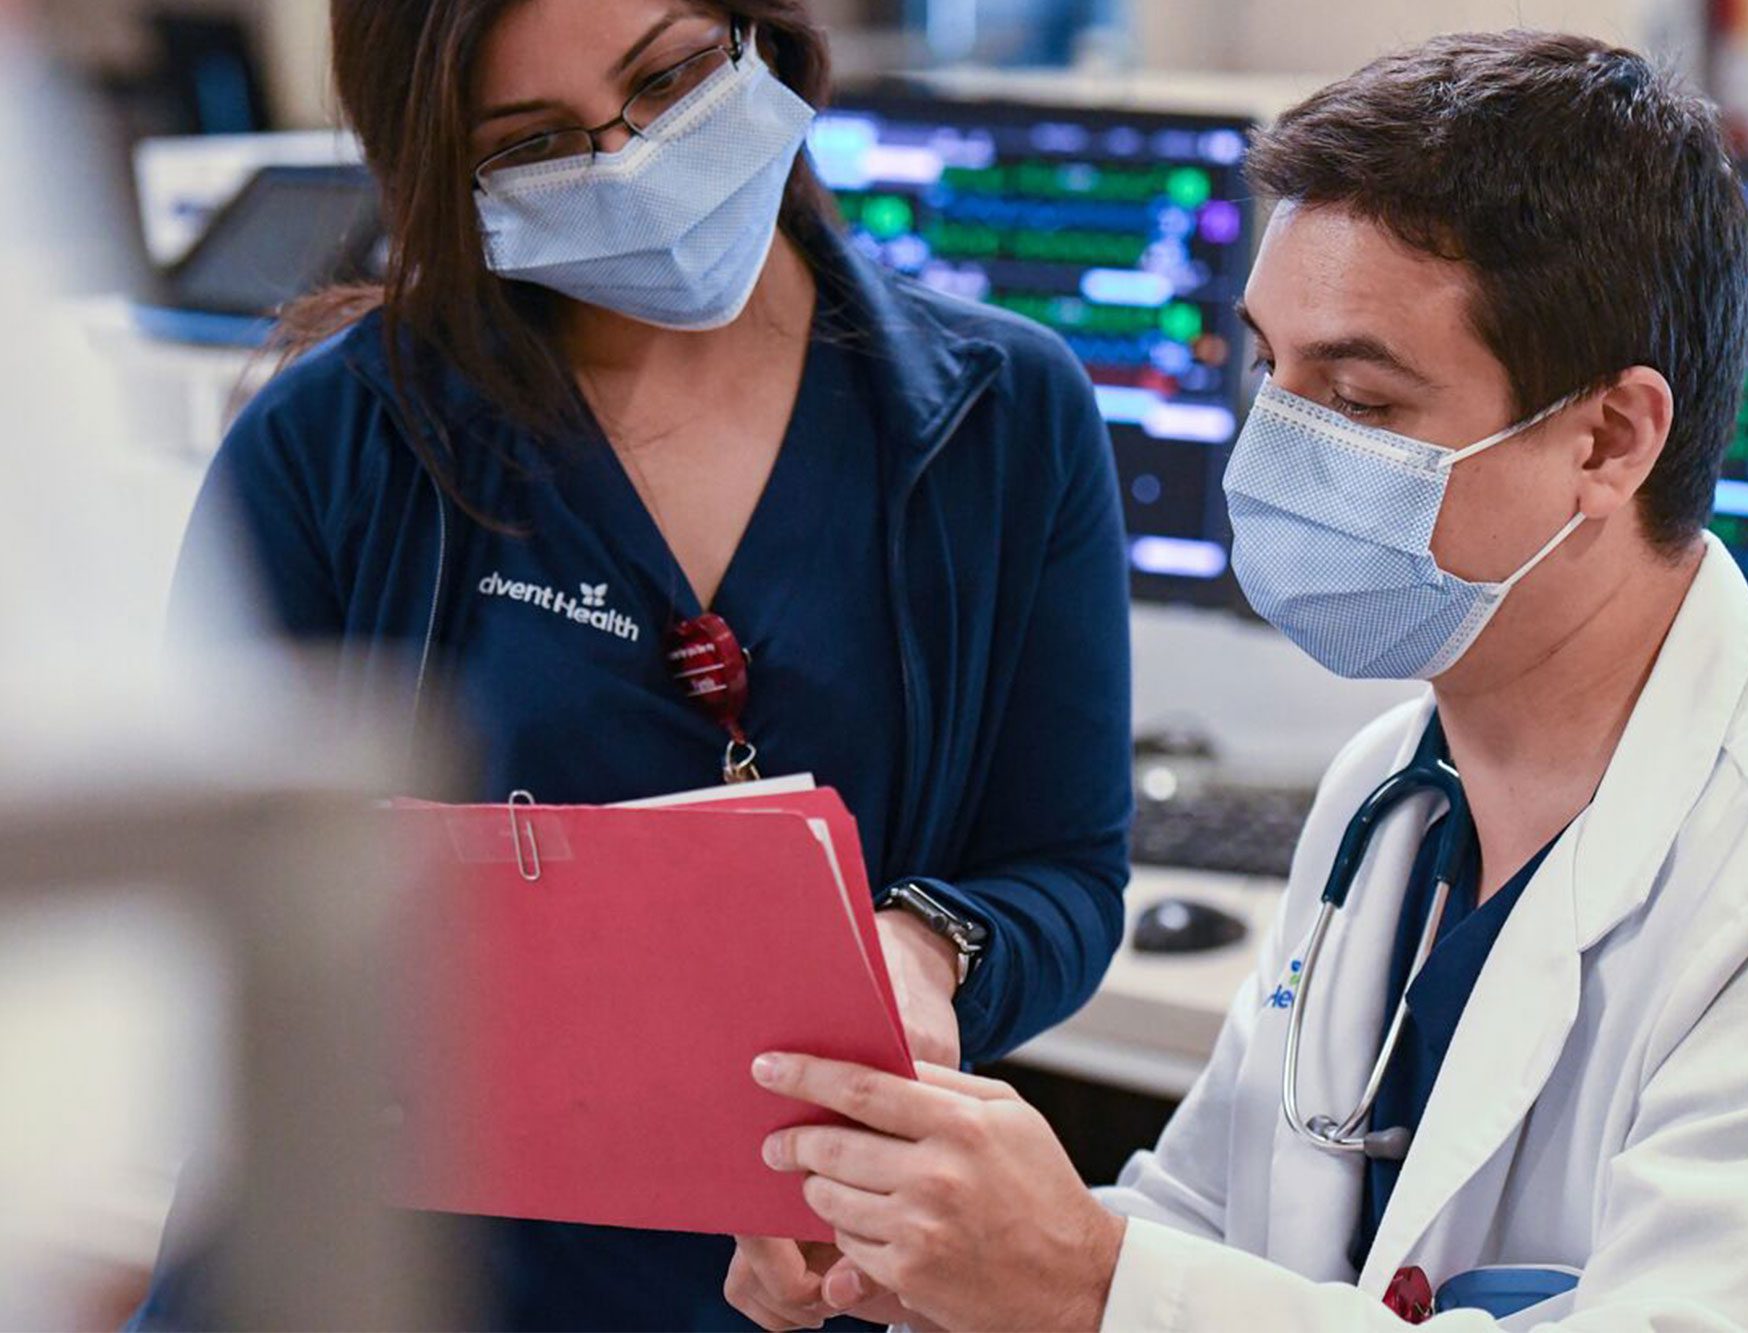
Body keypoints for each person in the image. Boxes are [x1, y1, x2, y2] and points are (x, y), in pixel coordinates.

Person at [732, 31, 1748, 1331]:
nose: (1273, 451)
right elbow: (1213, 1224)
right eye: (1270, 372)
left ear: (1609, 440)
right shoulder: (1391, 792)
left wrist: (1088, 1282)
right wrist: (924, 1254)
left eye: (1360, 401)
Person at [132, 1, 1131, 1328]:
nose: (632, 161)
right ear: (450, 177)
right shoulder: (336, 446)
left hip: (797, 1279)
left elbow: (1065, 871)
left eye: (669, 76)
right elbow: (195, 913)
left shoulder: (1001, 416)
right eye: (536, 142)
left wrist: (928, 946)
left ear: (762, 35)